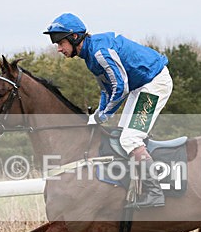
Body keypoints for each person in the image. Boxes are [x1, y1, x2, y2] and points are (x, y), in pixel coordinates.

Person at [44, 13, 173, 208]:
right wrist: (97, 115)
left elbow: (120, 86)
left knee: (130, 139)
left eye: (60, 42)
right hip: (141, 85)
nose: (59, 49)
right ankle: (134, 187)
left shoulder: (99, 53)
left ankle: (155, 192)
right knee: (122, 136)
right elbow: (107, 89)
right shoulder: (90, 57)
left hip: (154, 83)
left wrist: (104, 115)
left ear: (75, 37)